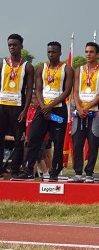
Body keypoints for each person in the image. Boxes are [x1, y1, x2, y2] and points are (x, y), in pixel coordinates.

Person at [13, 41, 73, 181]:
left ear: (60, 53)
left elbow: (67, 91)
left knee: (58, 142)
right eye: (49, 52)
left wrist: (50, 106)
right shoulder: (41, 68)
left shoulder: (67, 69)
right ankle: (28, 171)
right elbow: (38, 89)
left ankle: (54, 173)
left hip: (58, 111)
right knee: (33, 139)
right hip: (42, 109)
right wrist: (43, 107)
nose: (51, 54)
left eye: (54, 52)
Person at [68, 42, 99, 183]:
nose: (88, 54)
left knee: (93, 143)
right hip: (79, 113)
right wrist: (78, 107)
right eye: (86, 51)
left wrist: (87, 107)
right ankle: (78, 173)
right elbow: (75, 91)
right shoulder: (79, 70)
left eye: (91, 52)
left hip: (94, 113)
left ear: (97, 54)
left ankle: (89, 173)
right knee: (77, 143)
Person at [0, 34, 34, 178]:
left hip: (18, 107)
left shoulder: (27, 66)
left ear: (21, 46)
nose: (12, 47)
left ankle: (14, 170)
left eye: (14, 45)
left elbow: (29, 89)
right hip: (2, 106)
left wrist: (25, 110)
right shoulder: (2, 63)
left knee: (19, 140)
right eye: (9, 45)